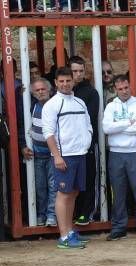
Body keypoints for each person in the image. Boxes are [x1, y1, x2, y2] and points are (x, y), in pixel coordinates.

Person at [41, 67, 93, 249]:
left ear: (73, 81)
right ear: (55, 83)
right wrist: (57, 156)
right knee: (63, 194)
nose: (65, 84)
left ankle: (70, 231)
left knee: (74, 192)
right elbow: (48, 133)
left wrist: (85, 144)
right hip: (64, 157)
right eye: (61, 81)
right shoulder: (52, 104)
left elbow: (88, 125)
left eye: (68, 81)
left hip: (80, 154)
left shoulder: (79, 102)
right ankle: (63, 236)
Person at [103, 75, 136, 242]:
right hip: (116, 153)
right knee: (117, 192)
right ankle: (118, 228)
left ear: (130, 86)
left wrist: (118, 125)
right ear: (115, 90)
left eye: (126, 88)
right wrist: (127, 123)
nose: (124, 91)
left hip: (135, 152)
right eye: (120, 89)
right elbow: (106, 128)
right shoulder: (111, 106)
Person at [69, 56, 100, 226]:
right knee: (73, 181)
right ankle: (74, 212)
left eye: (81, 71)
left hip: (86, 144)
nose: (78, 74)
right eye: (75, 71)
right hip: (68, 146)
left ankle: (87, 213)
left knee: (88, 179)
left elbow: (90, 120)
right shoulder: (63, 92)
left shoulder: (90, 92)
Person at [22, 77, 57, 227]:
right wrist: (24, 145)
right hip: (37, 155)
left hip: (52, 155)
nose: (41, 92)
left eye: (43, 89)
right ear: (33, 93)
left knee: (54, 186)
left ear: (49, 90)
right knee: (40, 187)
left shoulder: (55, 106)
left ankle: (51, 215)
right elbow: (25, 128)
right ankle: (41, 215)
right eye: (37, 90)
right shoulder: (31, 107)